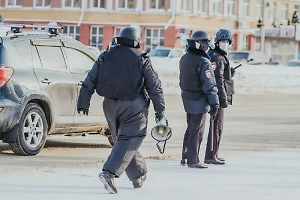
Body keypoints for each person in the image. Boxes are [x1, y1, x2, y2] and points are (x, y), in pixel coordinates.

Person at [77, 27, 166, 194]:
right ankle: (109, 173)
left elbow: (89, 80)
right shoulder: (142, 58)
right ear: (137, 40)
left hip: (109, 105)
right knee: (131, 138)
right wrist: (160, 111)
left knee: (124, 140)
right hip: (134, 104)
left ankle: (138, 174)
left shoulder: (105, 56)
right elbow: (154, 87)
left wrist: (83, 102)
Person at [179, 30, 220, 169]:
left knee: (190, 128)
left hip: (186, 97)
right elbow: (209, 84)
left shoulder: (184, 58)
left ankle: (185, 156)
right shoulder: (203, 61)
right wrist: (215, 103)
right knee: (197, 131)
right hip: (199, 99)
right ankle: (193, 160)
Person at [204, 29, 235, 165]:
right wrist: (222, 100)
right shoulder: (217, 56)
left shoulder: (219, 56)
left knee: (217, 126)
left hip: (216, 96)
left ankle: (214, 153)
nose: (225, 43)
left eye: (227, 41)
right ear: (217, 42)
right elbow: (218, 80)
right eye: (223, 41)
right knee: (216, 127)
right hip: (217, 97)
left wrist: (230, 73)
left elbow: (223, 76)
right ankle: (211, 155)